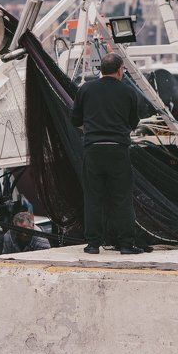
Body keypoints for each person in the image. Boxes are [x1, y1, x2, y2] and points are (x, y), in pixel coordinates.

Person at [70, 53, 141, 255]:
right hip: (118, 150)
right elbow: (133, 122)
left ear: (101, 69)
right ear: (119, 70)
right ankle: (126, 244)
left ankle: (93, 244)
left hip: (93, 150)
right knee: (121, 198)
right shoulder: (127, 92)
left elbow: (75, 120)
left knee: (93, 197)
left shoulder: (85, 89)